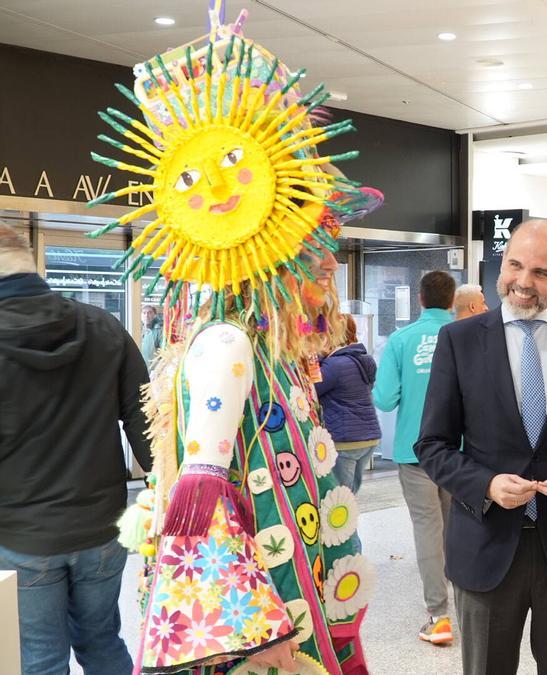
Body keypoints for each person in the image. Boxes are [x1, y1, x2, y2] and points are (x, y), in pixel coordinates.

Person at [90, 23, 376, 673]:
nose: (325, 266)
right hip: (262, 629)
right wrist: (256, 629)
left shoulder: (256, 346)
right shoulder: (227, 343)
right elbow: (199, 492)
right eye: (315, 246)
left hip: (279, 606)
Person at [415, 219, 547, 675]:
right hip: (485, 546)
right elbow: (432, 445)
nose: (523, 282)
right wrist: (486, 484)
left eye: (540, 272)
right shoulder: (460, 340)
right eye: (515, 265)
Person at [0, 223, 151, 675]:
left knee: (41, 658)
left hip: (21, 535)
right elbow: (147, 420)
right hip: (104, 526)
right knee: (103, 640)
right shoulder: (103, 326)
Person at [373, 270, 457, 645]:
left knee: (428, 528)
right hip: (463, 452)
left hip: (416, 449)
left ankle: (439, 617)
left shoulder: (402, 340)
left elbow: (384, 398)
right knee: (460, 527)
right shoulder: (470, 336)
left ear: (420, 299)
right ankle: (473, 608)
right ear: (453, 300)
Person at [317, 315, 382, 494]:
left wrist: (318, 359)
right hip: (368, 438)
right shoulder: (362, 360)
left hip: (345, 440)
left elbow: (312, 389)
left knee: (339, 500)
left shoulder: (334, 365)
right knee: (349, 496)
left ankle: (347, 523)